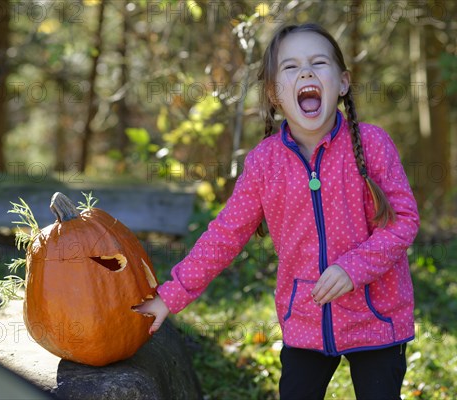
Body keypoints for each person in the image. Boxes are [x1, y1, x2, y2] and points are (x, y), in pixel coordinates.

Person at [133, 23, 420, 400]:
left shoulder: (372, 143)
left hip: (378, 315)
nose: (306, 72)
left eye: (319, 63)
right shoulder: (265, 163)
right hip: (306, 317)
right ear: (274, 94)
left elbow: (403, 223)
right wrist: (172, 295)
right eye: (291, 67)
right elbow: (225, 234)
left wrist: (353, 268)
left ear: (344, 83)